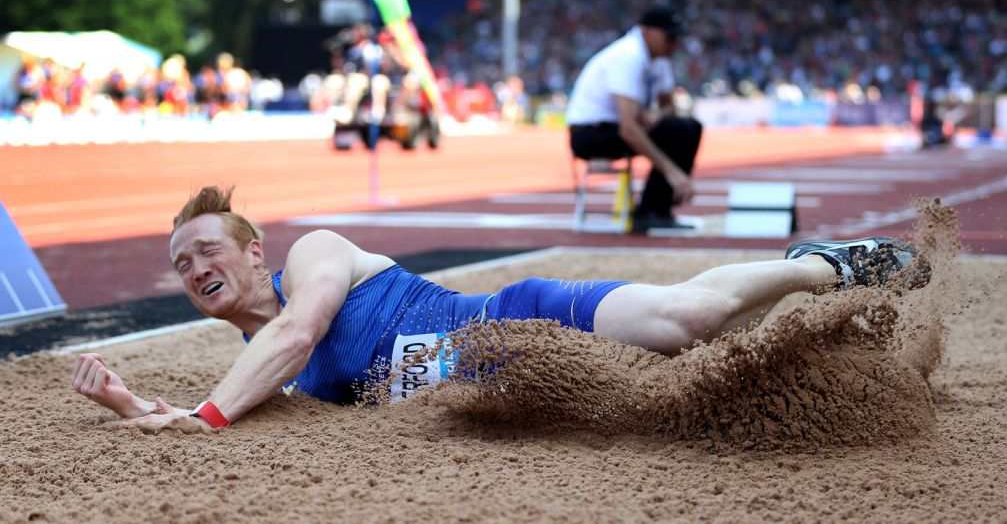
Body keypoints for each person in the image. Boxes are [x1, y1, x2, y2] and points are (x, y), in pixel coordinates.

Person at [71, 186, 930, 431]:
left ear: (254, 251)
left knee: (682, 324)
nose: (196, 267)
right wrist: (127, 401)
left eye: (208, 248)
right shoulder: (272, 379)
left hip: (521, 315)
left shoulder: (313, 256)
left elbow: (294, 337)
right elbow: (211, 408)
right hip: (511, 380)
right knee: (698, 369)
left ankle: (820, 268)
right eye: (181, 263)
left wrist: (209, 413)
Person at [565, 6, 704, 234]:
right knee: (678, 130)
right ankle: (651, 212)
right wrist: (673, 172)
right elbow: (628, 129)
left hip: (616, 126)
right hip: (589, 134)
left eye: (677, 38)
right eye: (670, 37)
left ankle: (658, 210)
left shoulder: (659, 59)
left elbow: (668, 104)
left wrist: (656, 115)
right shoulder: (629, 56)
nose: (674, 44)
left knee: (688, 127)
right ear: (647, 32)